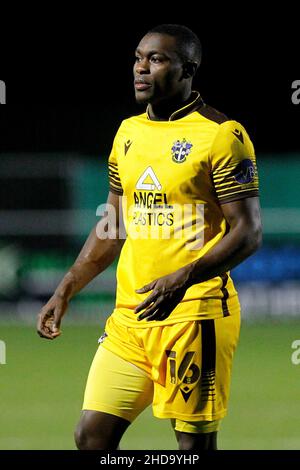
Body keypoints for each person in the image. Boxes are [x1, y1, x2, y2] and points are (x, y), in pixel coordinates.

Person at [37, 24, 262, 451]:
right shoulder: (127, 132)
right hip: (130, 318)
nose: (141, 68)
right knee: (91, 438)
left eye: (156, 60)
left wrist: (183, 277)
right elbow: (112, 226)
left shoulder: (221, 134)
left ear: (188, 69)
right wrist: (66, 288)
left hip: (193, 318)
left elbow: (248, 233)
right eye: (138, 58)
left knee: (192, 450)